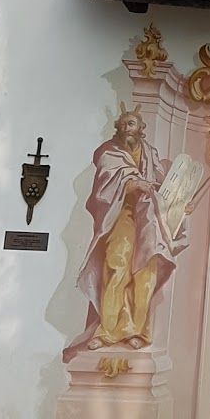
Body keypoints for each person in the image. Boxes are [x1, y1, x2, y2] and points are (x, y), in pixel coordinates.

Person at [71, 108, 179, 351]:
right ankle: (108, 330)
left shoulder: (150, 153)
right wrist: (131, 185)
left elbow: (164, 186)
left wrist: (182, 202)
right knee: (116, 265)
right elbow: (103, 188)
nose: (125, 128)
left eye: (131, 124)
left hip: (149, 216)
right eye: (122, 124)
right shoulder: (109, 152)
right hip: (121, 214)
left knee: (145, 272)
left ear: (141, 128)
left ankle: (136, 330)